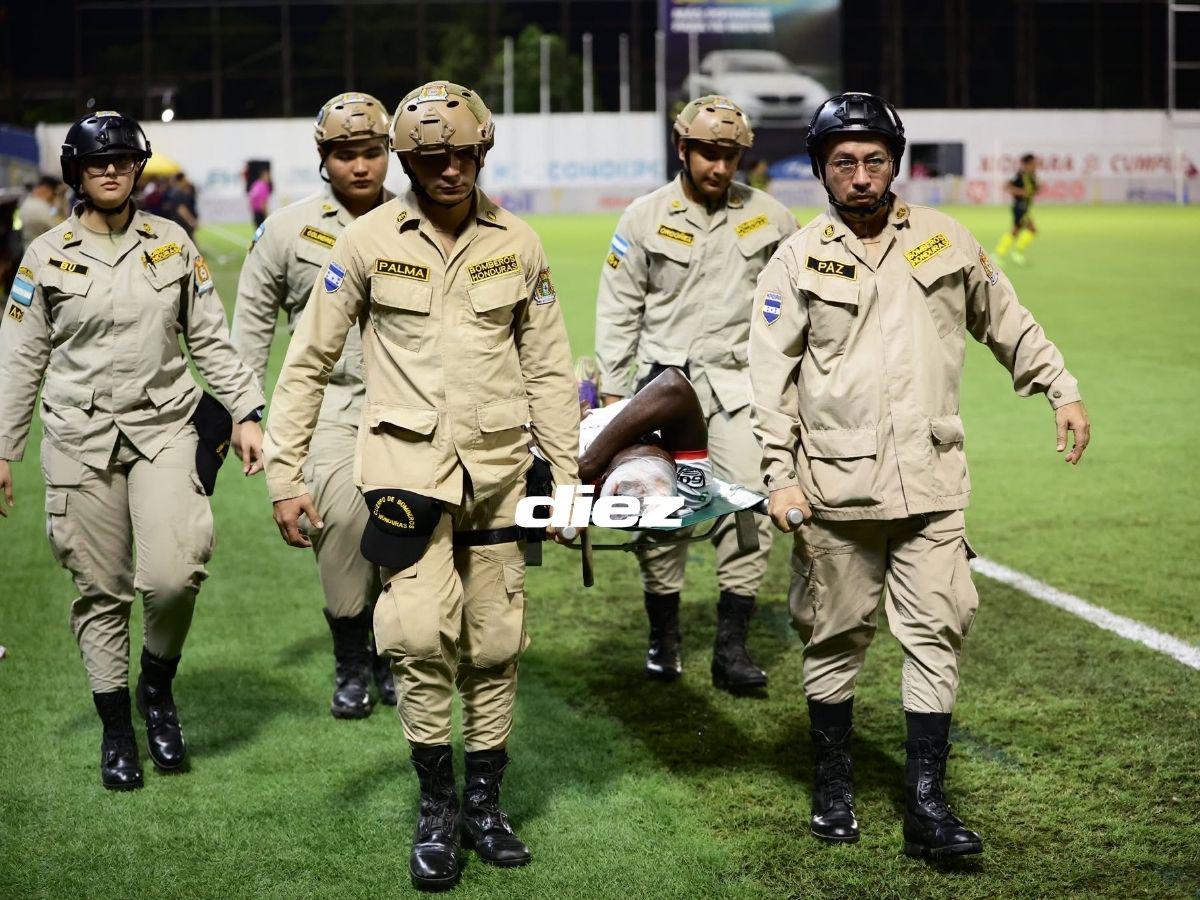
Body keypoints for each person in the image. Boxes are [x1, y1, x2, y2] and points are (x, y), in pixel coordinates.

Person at [749, 92, 1090, 860]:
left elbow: (1008, 320)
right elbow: (766, 377)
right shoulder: (797, 257)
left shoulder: (945, 241)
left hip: (932, 488)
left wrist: (1060, 387)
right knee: (834, 638)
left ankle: (927, 803)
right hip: (835, 492)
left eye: (875, 160)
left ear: (895, 165)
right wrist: (778, 475)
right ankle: (832, 780)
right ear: (822, 172)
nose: (862, 176)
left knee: (937, 634)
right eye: (845, 163)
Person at [262, 81, 578, 891]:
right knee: (413, 636)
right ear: (406, 160)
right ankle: (437, 807)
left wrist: (568, 473)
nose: (449, 169)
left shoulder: (521, 243)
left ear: (483, 150)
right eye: (431, 157)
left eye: (462, 154)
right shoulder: (365, 242)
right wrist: (286, 476)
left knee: (497, 641)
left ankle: (485, 803)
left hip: (501, 477)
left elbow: (548, 368)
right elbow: (306, 365)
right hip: (404, 476)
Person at [0, 111, 265, 791]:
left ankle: (157, 684)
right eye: (98, 162)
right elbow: (20, 358)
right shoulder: (44, 254)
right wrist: (3, 448)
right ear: (78, 174)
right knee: (100, 589)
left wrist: (245, 408)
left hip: (166, 425)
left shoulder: (172, 244)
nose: (111, 170)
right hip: (79, 439)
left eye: (122, 160)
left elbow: (209, 338)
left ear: (137, 169)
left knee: (176, 574)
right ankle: (118, 727)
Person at [594, 95, 797, 691]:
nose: (719, 166)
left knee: (750, 508)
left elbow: (795, 307)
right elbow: (618, 309)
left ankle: (731, 648)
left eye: (730, 155)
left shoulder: (771, 217)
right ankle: (665, 635)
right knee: (658, 511)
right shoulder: (643, 217)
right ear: (682, 148)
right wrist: (611, 395)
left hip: (738, 388)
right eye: (708, 152)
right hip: (663, 388)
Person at [232, 91, 396, 719]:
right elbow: (249, 326)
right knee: (345, 525)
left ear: (390, 155)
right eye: (346, 154)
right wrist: (246, 411)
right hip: (324, 406)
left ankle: (389, 652)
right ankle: (352, 659)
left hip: (406, 405)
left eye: (373, 153)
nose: (361, 166)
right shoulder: (283, 230)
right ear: (324, 158)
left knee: (405, 524)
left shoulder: (415, 219)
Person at [577, 365, 712, 512]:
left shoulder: (573, 464)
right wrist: (591, 461)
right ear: (651, 440)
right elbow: (674, 385)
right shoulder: (689, 490)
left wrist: (583, 466)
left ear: (603, 476)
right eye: (657, 479)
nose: (641, 490)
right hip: (654, 403)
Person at [995, 153, 1040, 265]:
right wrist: (1021, 192)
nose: (1035, 165)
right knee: (1031, 229)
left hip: (1025, 207)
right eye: (1033, 163)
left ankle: (1000, 254)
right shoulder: (1020, 175)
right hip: (1020, 206)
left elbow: (1034, 191)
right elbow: (1006, 186)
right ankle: (1014, 253)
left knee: (1016, 230)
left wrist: (1034, 190)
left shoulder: (1032, 176)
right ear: (1027, 164)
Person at [17, 176, 65, 251]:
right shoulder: (42, 208)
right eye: (54, 194)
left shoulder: (26, 203)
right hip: (42, 253)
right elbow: (59, 231)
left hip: (28, 249)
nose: (53, 197)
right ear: (47, 191)